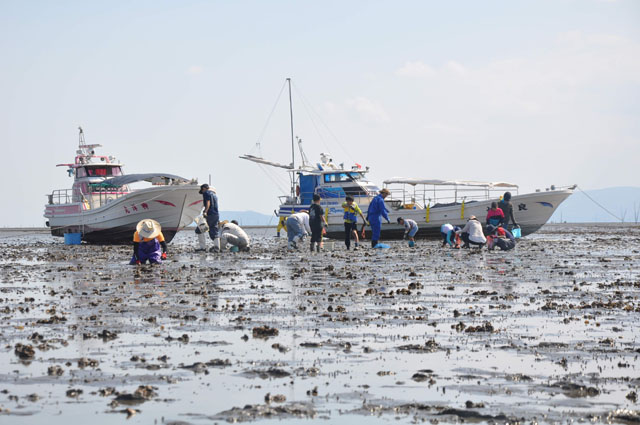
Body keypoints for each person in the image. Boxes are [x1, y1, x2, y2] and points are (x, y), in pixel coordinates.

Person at [199, 184, 220, 252]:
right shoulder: (214, 195)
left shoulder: (206, 193)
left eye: (202, 190)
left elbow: (208, 203)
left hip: (210, 214)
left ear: (204, 188)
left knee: (200, 229)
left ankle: (203, 248)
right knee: (214, 230)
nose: (202, 192)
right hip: (216, 214)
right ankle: (217, 248)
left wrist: (205, 211)